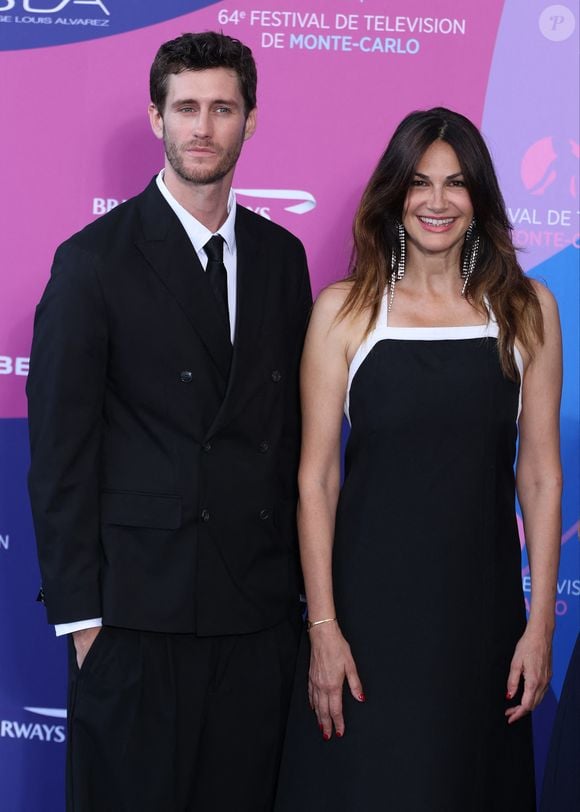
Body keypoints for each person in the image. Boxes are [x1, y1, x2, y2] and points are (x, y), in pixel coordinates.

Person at [27, 31, 311, 812]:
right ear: (157, 118)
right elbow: (60, 455)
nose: (203, 127)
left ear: (250, 121)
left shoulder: (283, 260)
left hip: (253, 620)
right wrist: (86, 625)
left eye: (222, 108)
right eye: (186, 107)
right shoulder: (94, 261)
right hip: (133, 619)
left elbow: (286, 440)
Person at [275, 108, 562, 811]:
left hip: (480, 621)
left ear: (481, 197)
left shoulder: (527, 309)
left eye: (456, 184)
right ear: (395, 194)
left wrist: (539, 625)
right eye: (420, 183)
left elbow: (542, 474)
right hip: (364, 627)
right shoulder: (343, 312)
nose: (437, 202)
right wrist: (324, 630)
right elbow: (315, 479)